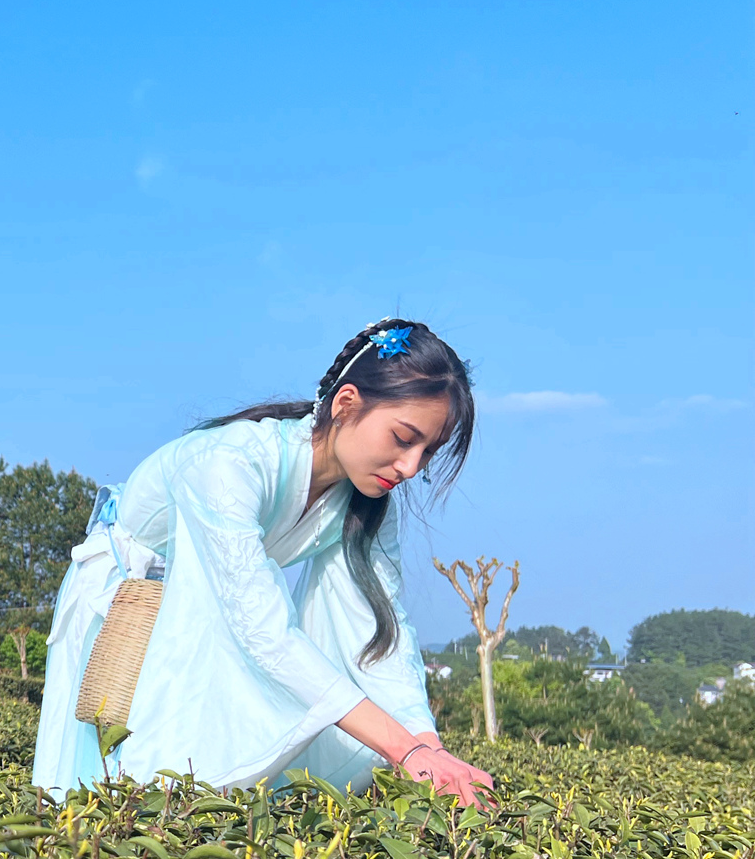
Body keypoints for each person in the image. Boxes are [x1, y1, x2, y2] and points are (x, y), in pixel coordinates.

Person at [34, 318, 493, 806]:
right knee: (109, 799)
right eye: (403, 438)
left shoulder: (367, 504)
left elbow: (381, 634)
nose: (411, 467)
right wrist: (404, 749)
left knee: (204, 803)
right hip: (128, 605)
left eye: (428, 452)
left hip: (216, 608)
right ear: (346, 404)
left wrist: (429, 750)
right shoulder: (227, 465)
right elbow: (263, 630)